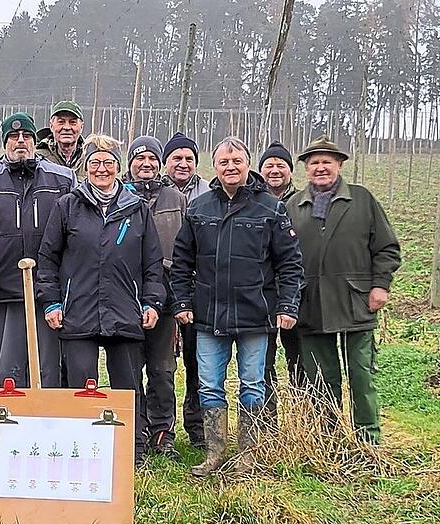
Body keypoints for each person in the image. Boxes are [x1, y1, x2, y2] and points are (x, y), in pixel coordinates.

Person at [170, 136, 304, 477]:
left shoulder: (271, 209)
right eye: (224, 162)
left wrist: (287, 305)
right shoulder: (199, 208)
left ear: (248, 165)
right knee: (209, 384)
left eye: (237, 161)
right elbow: (182, 260)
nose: (231, 167)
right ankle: (215, 453)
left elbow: (289, 263)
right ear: (214, 167)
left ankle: (248, 456)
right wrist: (182, 301)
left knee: (252, 383)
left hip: (255, 315)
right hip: (209, 315)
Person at [38, 134, 165, 466]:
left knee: (127, 386)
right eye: (95, 163)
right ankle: (83, 450)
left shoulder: (136, 208)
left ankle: (132, 451)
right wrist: (52, 302)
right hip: (77, 312)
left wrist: (151, 302)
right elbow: (48, 259)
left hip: (125, 312)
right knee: (81, 385)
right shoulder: (68, 206)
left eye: (109, 163)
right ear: (85, 167)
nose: (102, 169)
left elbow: (152, 262)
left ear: (118, 168)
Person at [286, 135, 401, 444]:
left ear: (339, 164)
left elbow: (387, 248)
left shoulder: (362, 200)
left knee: (361, 376)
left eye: (326, 162)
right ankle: (329, 440)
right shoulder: (293, 206)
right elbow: (282, 257)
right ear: (305, 169)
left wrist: (380, 286)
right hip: (312, 304)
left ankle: (368, 440)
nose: (320, 168)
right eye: (314, 163)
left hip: (356, 301)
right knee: (322, 379)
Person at [0, 113, 75, 388]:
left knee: (50, 371)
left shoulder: (61, 179)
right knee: (10, 372)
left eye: (27, 136)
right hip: (4, 290)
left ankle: (48, 427)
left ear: (35, 141)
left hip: (50, 293)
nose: (20, 141)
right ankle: (12, 425)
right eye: (14, 137)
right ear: (5, 142)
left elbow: (78, 224)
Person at [122, 135, 187, 459]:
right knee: (129, 371)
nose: (145, 164)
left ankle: (163, 434)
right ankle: (135, 435)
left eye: (152, 159)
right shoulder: (118, 196)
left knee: (162, 370)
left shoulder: (174, 196)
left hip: (165, 298)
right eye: (139, 158)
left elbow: (186, 247)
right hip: (125, 298)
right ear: (130, 162)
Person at [162, 132, 211, 449]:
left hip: (197, 288)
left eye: (188, 158)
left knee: (198, 362)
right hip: (159, 287)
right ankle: (156, 426)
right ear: (166, 162)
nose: (182, 163)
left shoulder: (208, 192)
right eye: (176, 158)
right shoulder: (151, 191)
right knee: (160, 363)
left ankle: (198, 428)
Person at [257, 140, 304, 429]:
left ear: (290, 170)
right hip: (262, 297)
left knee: (300, 361)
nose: (275, 170)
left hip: (295, 292)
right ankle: (267, 424)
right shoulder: (254, 203)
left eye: (280, 165)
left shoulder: (302, 203)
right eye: (269, 166)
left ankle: (304, 423)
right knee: (263, 365)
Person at [36, 101, 86, 179]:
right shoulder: (37, 158)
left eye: (72, 122)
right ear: (51, 126)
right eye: (61, 122)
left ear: (81, 127)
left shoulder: (91, 158)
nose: (66, 127)